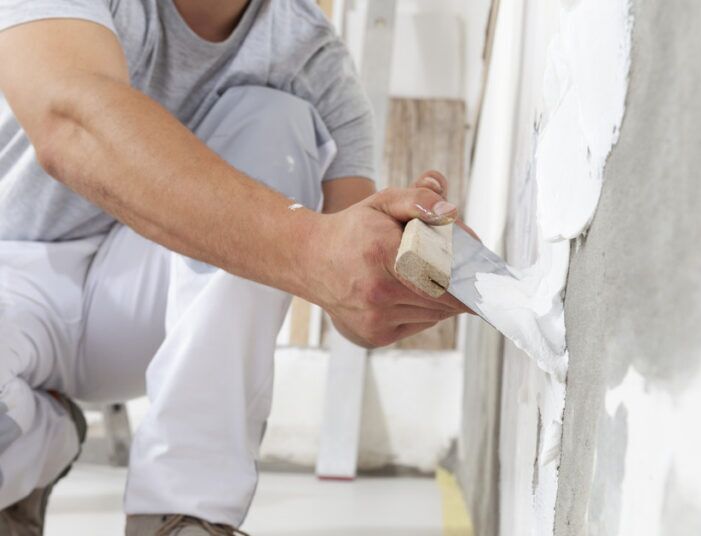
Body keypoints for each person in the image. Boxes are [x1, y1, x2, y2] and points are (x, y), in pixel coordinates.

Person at [0, 0, 469, 534]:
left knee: (281, 117)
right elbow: (70, 122)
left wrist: (399, 261)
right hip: (11, 276)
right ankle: (40, 439)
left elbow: (349, 294)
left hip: (139, 309)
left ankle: (184, 512)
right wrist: (310, 247)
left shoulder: (313, 64)